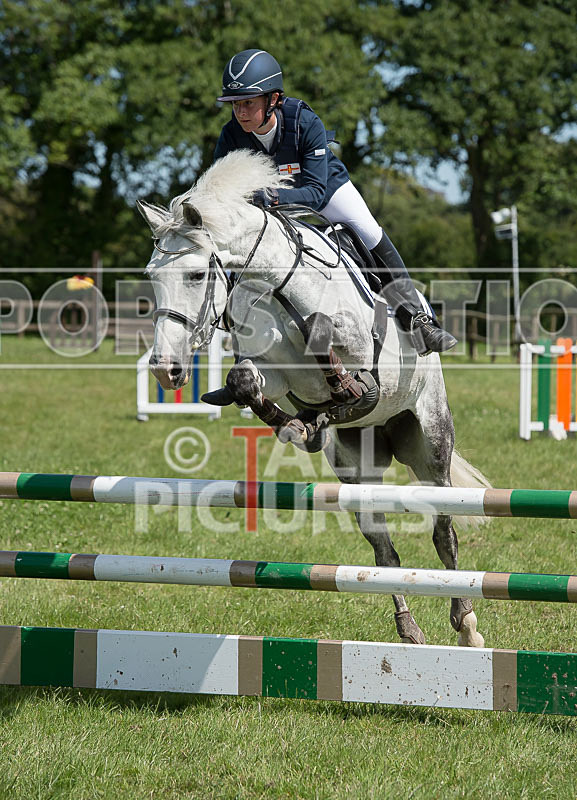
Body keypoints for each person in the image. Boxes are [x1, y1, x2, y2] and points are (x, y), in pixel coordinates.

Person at [214, 48, 457, 356]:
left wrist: (270, 196)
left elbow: (315, 192)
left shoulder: (304, 121)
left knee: (368, 231)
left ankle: (419, 320)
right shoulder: (230, 136)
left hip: (326, 192)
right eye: (235, 104)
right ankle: (240, 349)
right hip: (272, 208)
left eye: (248, 102)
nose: (240, 112)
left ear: (273, 99)